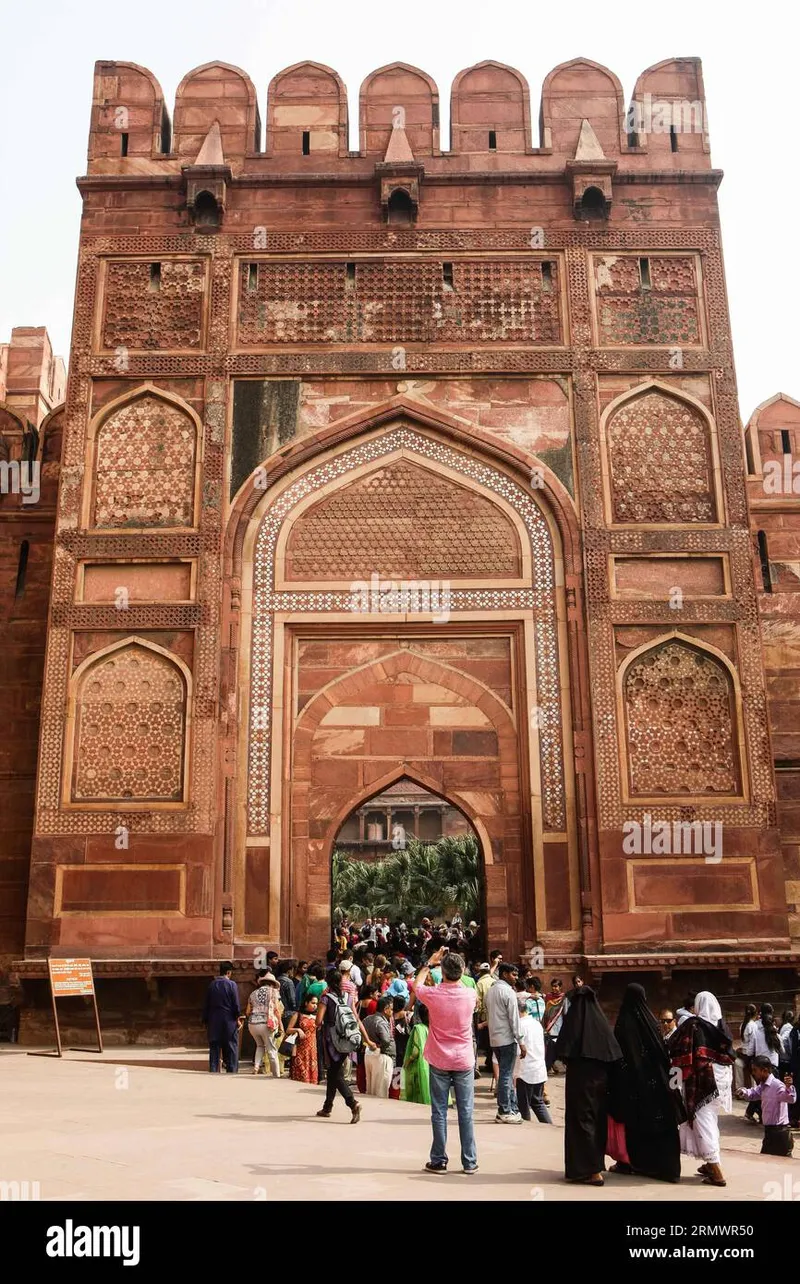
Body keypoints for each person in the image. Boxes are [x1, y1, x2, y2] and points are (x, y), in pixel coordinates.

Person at [608, 983, 683, 1182]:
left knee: (639, 1124)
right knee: (661, 1124)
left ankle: (641, 1165)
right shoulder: (651, 1022)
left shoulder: (623, 1024)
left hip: (635, 1087)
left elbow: (620, 1058)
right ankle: (668, 1169)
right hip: (658, 1083)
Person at [415, 946, 478, 1174]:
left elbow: (417, 985)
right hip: (463, 1059)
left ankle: (439, 1160)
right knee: (466, 1112)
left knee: (439, 1111)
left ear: (442, 970)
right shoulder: (471, 994)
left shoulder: (434, 995)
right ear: (462, 970)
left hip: (440, 1058)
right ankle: (469, 1161)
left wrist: (429, 964)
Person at [554, 984, 622, 1186]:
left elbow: (563, 1050)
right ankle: (593, 1167)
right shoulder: (601, 1024)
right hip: (600, 1083)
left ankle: (588, 1170)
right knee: (595, 1122)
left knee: (581, 1123)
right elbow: (614, 1054)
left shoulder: (575, 1021)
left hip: (578, 1082)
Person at [668, 989, 734, 1188]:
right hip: (720, 1085)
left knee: (703, 1124)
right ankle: (709, 1164)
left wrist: (675, 1080)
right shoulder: (723, 1028)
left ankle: (717, 1171)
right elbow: (729, 1056)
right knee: (710, 1122)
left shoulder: (694, 1026)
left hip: (700, 1084)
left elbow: (676, 1047)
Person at [315, 968, 371, 1122]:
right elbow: (356, 1018)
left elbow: (318, 1021)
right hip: (348, 1038)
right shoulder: (348, 997)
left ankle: (353, 1103)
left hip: (332, 1040)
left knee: (335, 1073)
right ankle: (327, 1106)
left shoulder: (326, 998)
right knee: (334, 1072)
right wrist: (366, 1038)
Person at [486, 961, 526, 1123]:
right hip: (507, 1039)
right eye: (513, 974)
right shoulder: (508, 992)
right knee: (506, 1075)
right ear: (504, 974)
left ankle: (511, 1108)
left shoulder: (491, 991)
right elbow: (514, 1020)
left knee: (506, 1076)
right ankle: (505, 1110)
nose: (516, 978)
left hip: (495, 1038)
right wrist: (521, 1042)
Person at [736, 1054, 796, 1156]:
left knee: (782, 1165)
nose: (753, 1073)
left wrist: (789, 1088)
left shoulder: (777, 1085)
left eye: (755, 1070)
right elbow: (754, 1093)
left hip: (780, 1133)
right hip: (769, 1132)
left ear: (764, 1071)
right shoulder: (763, 1086)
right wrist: (744, 1092)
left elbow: (790, 1099)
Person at [514, 993, 552, 1124]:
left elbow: (518, 1051)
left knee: (524, 1104)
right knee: (537, 1101)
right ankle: (549, 1126)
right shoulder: (536, 1024)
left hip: (526, 1071)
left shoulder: (520, 1027)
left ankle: (527, 1128)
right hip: (538, 1068)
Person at [202, 962, 242, 1074]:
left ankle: (213, 1070)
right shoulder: (232, 985)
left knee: (214, 1046)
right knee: (231, 1046)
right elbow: (236, 1004)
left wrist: (205, 1020)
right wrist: (237, 1017)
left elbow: (206, 1004)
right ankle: (232, 1070)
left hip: (214, 1020)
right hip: (229, 1020)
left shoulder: (212, 985)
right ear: (229, 972)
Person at [246, 970, 282, 1078]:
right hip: (267, 1023)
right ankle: (276, 1074)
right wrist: (280, 1025)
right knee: (271, 1049)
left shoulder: (253, 993)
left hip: (252, 1023)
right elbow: (276, 1009)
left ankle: (256, 1066)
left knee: (260, 1045)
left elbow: (247, 1011)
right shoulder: (274, 992)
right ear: (272, 983)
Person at [363, 994, 396, 1097]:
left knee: (371, 1086)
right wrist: (379, 1046)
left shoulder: (367, 1019)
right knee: (381, 1088)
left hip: (369, 1054)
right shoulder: (381, 1022)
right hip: (382, 1056)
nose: (392, 1011)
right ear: (386, 1010)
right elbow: (386, 1040)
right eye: (391, 1009)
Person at [285, 993, 319, 1084]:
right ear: (306, 1003)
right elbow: (288, 1030)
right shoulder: (298, 1015)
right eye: (312, 1003)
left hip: (312, 1050)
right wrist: (298, 1029)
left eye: (316, 1003)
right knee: (300, 1076)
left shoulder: (317, 1016)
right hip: (300, 1048)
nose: (315, 1005)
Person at [402, 1005, 431, 1104]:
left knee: (419, 1089)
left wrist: (408, 1061)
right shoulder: (434, 1029)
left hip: (420, 1065)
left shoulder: (418, 1029)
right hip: (433, 1063)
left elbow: (416, 1050)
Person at [543, 978, 569, 1074]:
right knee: (549, 1047)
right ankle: (551, 1066)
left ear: (560, 987)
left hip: (559, 1025)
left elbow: (566, 1012)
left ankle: (556, 1065)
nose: (554, 988)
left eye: (556, 986)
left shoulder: (564, 998)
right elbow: (545, 1011)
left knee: (556, 1047)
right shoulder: (548, 997)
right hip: (548, 1025)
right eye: (553, 986)